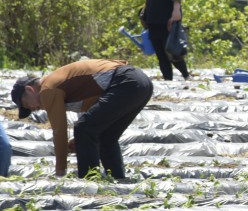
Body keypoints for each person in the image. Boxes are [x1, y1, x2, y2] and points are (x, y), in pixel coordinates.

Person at [10, 59, 153, 180]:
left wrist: (60, 171)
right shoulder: (64, 86)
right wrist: (81, 140)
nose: (33, 109)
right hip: (141, 83)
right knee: (105, 136)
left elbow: (59, 131)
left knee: (83, 129)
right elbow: (96, 114)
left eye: (28, 104)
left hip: (126, 82)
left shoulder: (47, 89)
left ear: (30, 90)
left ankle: (90, 182)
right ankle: (118, 179)